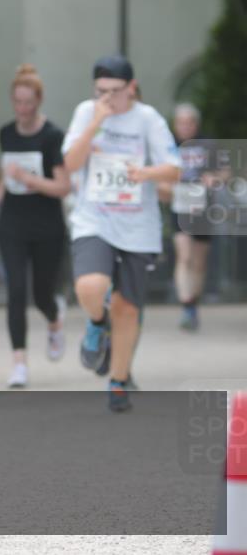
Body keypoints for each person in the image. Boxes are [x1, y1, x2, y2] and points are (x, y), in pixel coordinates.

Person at [62, 55, 180, 412]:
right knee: (90, 286)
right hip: (94, 218)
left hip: (137, 225)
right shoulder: (87, 112)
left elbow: (175, 169)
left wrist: (144, 174)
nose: (109, 99)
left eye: (115, 92)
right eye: (101, 92)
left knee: (128, 309)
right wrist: (96, 121)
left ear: (131, 87)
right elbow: (70, 164)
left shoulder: (148, 119)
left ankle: (117, 380)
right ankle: (98, 324)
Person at [0, 64, 70, 388]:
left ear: (39, 101)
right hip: (13, 223)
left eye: (28, 102)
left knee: (41, 293)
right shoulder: (6, 133)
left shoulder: (53, 136)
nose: (22, 109)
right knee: (16, 290)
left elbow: (63, 187)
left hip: (46, 224)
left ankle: (55, 320)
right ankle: (19, 362)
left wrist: (30, 179)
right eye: (17, 102)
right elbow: (6, 174)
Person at [160, 103, 215, 332]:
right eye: (181, 122)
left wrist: (212, 178)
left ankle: (193, 302)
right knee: (184, 257)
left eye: (189, 122)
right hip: (179, 205)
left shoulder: (208, 144)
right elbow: (159, 176)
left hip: (203, 207)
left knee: (199, 262)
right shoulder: (167, 145)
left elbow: (223, 171)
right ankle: (186, 305)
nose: (185, 127)